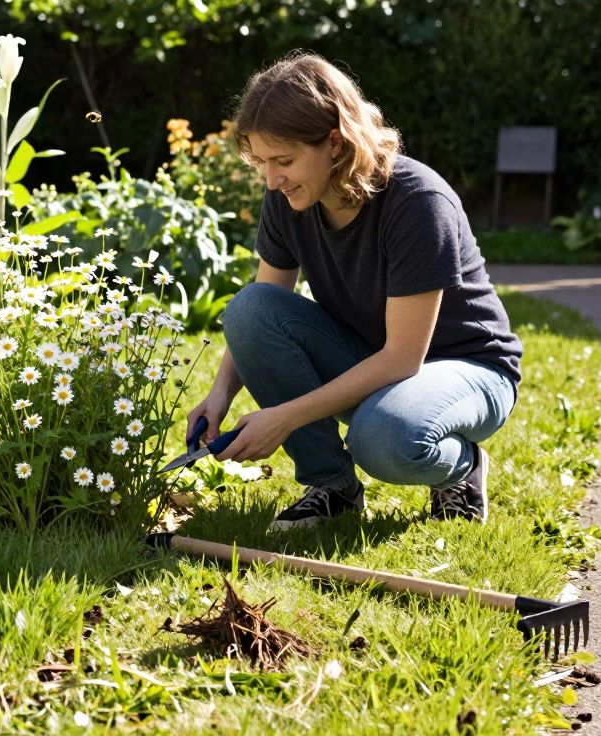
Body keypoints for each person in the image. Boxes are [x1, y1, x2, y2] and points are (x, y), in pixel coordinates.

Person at [186, 52, 522, 531]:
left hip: (470, 370)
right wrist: (219, 394)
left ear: (336, 144)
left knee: (383, 437)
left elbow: (403, 359)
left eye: (284, 160)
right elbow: (260, 308)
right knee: (249, 308)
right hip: (375, 358)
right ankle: (332, 487)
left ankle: (461, 467)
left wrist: (283, 418)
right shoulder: (287, 199)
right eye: (262, 162)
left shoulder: (417, 201)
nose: (271, 178)